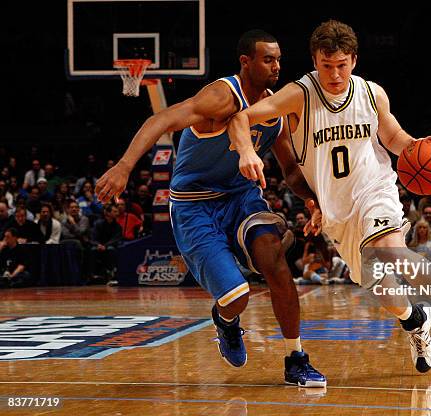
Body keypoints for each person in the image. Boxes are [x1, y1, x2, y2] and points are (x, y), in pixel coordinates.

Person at [229, 19, 431, 374]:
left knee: (391, 250)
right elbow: (240, 118)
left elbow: (393, 137)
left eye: (341, 65)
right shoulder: (299, 95)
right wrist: (246, 152)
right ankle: (415, 320)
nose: (334, 74)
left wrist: (416, 146)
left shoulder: (371, 93)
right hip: (338, 212)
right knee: (387, 293)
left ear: (354, 60)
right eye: (326, 65)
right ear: (315, 61)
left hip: (374, 189)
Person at [94, 30, 326, 387]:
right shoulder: (220, 96)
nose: (276, 66)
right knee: (236, 296)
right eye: (268, 59)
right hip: (194, 205)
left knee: (276, 264)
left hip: (241, 199)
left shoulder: (275, 107)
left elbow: (291, 169)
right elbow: (160, 120)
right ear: (245, 62)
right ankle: (226, 321)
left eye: (279, 59)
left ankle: (296, 358)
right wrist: (124, 166)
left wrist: (311, 199)